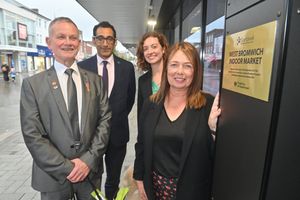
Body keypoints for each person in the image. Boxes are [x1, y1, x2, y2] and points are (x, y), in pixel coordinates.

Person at [20, 17, 111, 200]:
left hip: (89, 174)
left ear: (79, 42)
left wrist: (87, 161)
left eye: (73, 37)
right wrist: (68, 167)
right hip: (53, 177)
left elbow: (105, 121)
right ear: (49, 42)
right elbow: (33, 135)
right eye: (61, 37)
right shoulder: (33, 85)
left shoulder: (95, 81)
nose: (68, 42)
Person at [133, 42, 221, 200]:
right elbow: (141, 145)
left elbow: (215, 156)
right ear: (166, 68)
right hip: (155, 188)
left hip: (192, 191)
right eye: (174, 65)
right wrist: (139, 179)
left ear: (195, 71)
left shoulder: (208, 105)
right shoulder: (151, 103)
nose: (180, 72)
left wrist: (213, 131)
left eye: (187, 66)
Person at [78, 21, 136, 200]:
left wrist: (115, 118)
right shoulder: (82, 67)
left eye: (109, 39)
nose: (105, 43)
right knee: (92, 178)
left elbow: (129, 99)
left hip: (117, 135)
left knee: (113, 179)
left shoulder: (126, 68)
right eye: (101, 38)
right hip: (90, 136)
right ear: (94, 40)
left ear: (115, 41)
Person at [136, 32, 168, 118]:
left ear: (163, 49)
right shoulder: (142, 80)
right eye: (145, 49)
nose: (150, 52)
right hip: (149, 130)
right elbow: (141, 113)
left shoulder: (173, 76)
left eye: (154, 47)